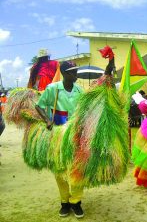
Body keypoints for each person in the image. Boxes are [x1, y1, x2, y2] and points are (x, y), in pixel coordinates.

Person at [35, 61, 84, 218]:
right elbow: (39, 106)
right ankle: (65, 202)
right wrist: (47, 120)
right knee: (60, 168)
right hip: (57, 134)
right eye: (73, 72)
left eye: (76, 72)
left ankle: (76, 202)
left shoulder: (80, 91)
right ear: (64, 73)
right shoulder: (52, 89)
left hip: (76, 135)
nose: (76, 75)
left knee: (77, 168)